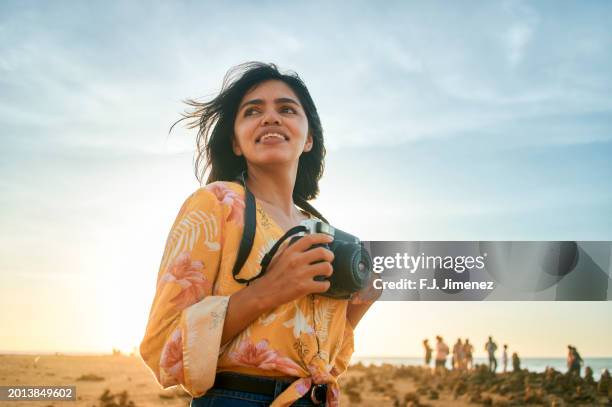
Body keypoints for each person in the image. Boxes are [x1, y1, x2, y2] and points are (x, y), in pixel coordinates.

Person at [139, 62, 379, 407]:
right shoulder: (216, 204)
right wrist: (269, 290)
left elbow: (324, 363)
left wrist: (357, 309)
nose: (270, 118)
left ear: (308, 138)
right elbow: (163, 348)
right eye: (253, 111)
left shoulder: (325, 232)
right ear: (236, 142)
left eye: (287, 109)